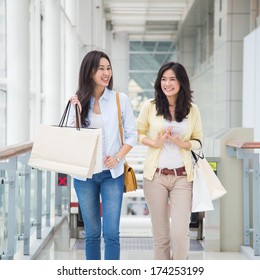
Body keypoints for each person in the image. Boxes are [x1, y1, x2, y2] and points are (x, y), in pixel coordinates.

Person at [68, 50, 137, 260]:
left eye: (108, 68)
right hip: (84, 176)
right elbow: (74, 137)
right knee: (91, 234)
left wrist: (117, 157)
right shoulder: (78, 100)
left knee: (111, 234)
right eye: (101, 69)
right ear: (90, 72)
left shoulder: (120, 99)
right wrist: (78, 112)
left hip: (111, 175)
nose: (106, 73)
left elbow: (132, 135)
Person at [136, 61, 203, 260]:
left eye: (172, 79)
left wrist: (184, 144)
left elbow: (199, 140)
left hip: (182, 177)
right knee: (161, 235)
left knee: (180, 233)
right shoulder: (150, 106)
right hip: (155, 176)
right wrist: (154, 142)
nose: (167, 83)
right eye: (164, 79)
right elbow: (139, 133)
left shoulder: (192, 110)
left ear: (181, 82)